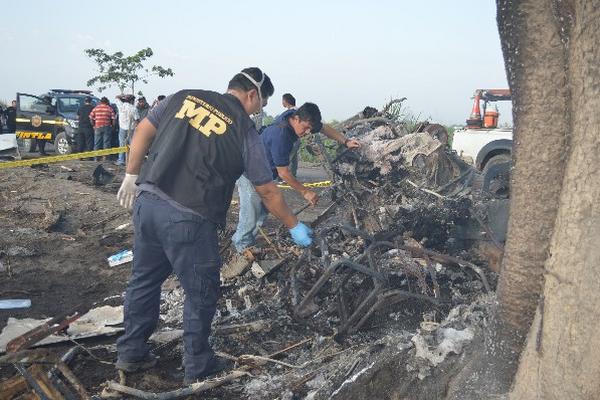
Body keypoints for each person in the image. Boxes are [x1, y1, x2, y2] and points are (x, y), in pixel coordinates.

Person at [114, 67, 313, 384]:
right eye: (260, 105)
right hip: (189, 218)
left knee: (144, 281)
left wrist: (131, 174)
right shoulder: (244, 131)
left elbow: (142, 132)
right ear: (251, 95)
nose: (258, 111)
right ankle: (198, 365)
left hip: (148, 204)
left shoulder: (181, 98)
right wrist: (294, 225)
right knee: (201, 292)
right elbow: (267, 190)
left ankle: (131, 352)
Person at [231, 102, 360, 255]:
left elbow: (324, 128)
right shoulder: (280, 135)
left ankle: (249, 245)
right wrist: (305, 192)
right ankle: (240, 251)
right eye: (305, 128)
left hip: (265, 174)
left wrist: (345, 141)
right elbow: (284, 173)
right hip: (249, 174)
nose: (307, 132)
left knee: (262, 212)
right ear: (296, 119)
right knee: (250, 214)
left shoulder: (299, 118)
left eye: (310, 129)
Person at [115, 94, 136, 165]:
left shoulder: (121, 106)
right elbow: (137, 120)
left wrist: (123, 96)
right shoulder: (133, 108)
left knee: (122, 144)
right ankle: (131, 161)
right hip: (131, 129)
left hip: (122, 128)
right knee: (132, 145)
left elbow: (117, 97)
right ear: (132, 100)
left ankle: (121, 160)